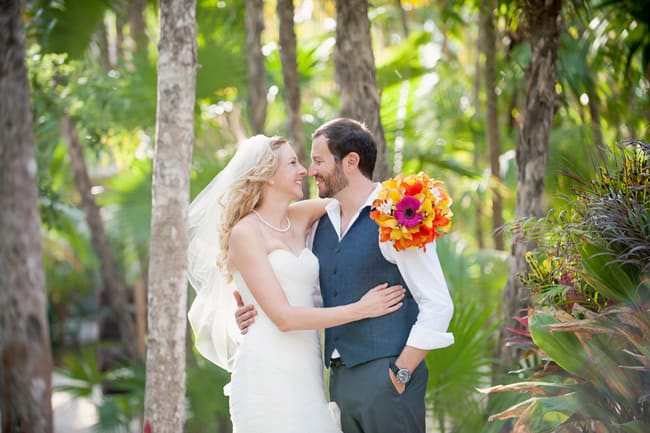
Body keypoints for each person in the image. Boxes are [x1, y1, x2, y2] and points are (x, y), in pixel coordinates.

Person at [236, 118, 454, 433]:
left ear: (350, 162)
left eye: (319, 160)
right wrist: (253, 311)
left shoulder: (399, 216)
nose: (311, 170)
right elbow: (310, 296)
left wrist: (401, 372)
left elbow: (437, 303)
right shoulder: (319, 222)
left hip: (389, 377)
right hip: (337, 382)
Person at [186, 134, 406, 433]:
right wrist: (361, 309)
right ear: (267, 176)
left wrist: (414, 202)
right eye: (292, 163)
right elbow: (284, 317)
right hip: (266, 369)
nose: (304, 170)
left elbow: (358, 197)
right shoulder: (245, 233)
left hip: (307, 368)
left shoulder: (301, 216)